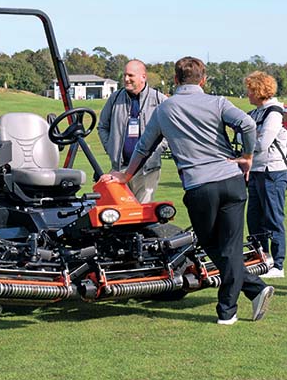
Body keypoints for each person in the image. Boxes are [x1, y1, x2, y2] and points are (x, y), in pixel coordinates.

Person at [101, 56, 274, 324]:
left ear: (175, 80)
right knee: (229, 246)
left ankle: (249, 292)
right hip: (232, 181)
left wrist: (125, 175)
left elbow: (144, 148)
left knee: (209, 244)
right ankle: (235, 304)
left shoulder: (164, 109)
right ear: (203, 80)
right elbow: (248, 125)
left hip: (199, 185)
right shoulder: (218, 102)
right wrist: (248, 156)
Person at [97, 60, 167, 203]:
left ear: (143, 77)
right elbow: (102, 126)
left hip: (147, 170)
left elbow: (169, 132)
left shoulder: (160, 100)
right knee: (118, 213)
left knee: (141, 215)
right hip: (119, 169)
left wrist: (157, 150)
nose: (126, 79)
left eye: (130, 75)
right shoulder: (115, 98)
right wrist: (111, 147)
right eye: (124, 75)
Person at [244, 71, 287, 278]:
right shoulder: (255, 113)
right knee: (254, 219)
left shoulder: (274, 112)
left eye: (250, 90)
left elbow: (262, 144)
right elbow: (241, 135)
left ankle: (278, 265)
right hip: (255, 171)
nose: (248, 94)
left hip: (272, 171)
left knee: (273, 218)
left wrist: (251, 139)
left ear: (259, 90)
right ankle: (260, 260)